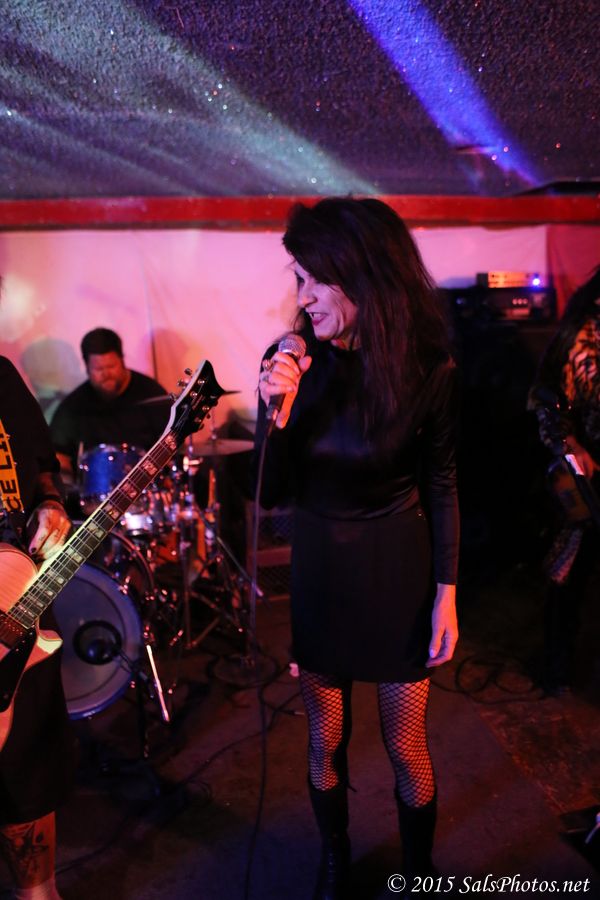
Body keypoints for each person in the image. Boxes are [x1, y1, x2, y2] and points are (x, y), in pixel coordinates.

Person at [253, 198, 459, 898]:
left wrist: (447, 594)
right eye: (299, 279)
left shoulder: (429, 367)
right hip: (322, 570)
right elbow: (270, 493)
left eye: (318, 280)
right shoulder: (291, 362)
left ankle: (420, 874)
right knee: (325, 737)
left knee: (406, 743)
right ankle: (336, 857)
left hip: (397, 569)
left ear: (366, 278)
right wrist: (275, 413)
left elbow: (442, 482)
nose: (303, 298)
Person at [0, 356, 77, 900]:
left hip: (17, 590)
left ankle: (38, 893)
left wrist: (49, 503)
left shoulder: (0, 375)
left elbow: (40, 461)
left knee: (25, 761)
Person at [528, 266, 600, 694]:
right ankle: (557, 667)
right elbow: (547, 397)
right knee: (571, 569)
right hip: (588, 473)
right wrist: (570, 446)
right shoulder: (581, 335)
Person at [49, 327, 169, 486]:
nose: (106, 374)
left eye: (111, 366)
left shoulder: (151, 393)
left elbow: (173, 443)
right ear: (87, 368)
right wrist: (67, 485)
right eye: (98, 369)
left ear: (122, 361)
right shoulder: (73, 406)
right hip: (96, 495)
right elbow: (59, 456)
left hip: (148, 488)